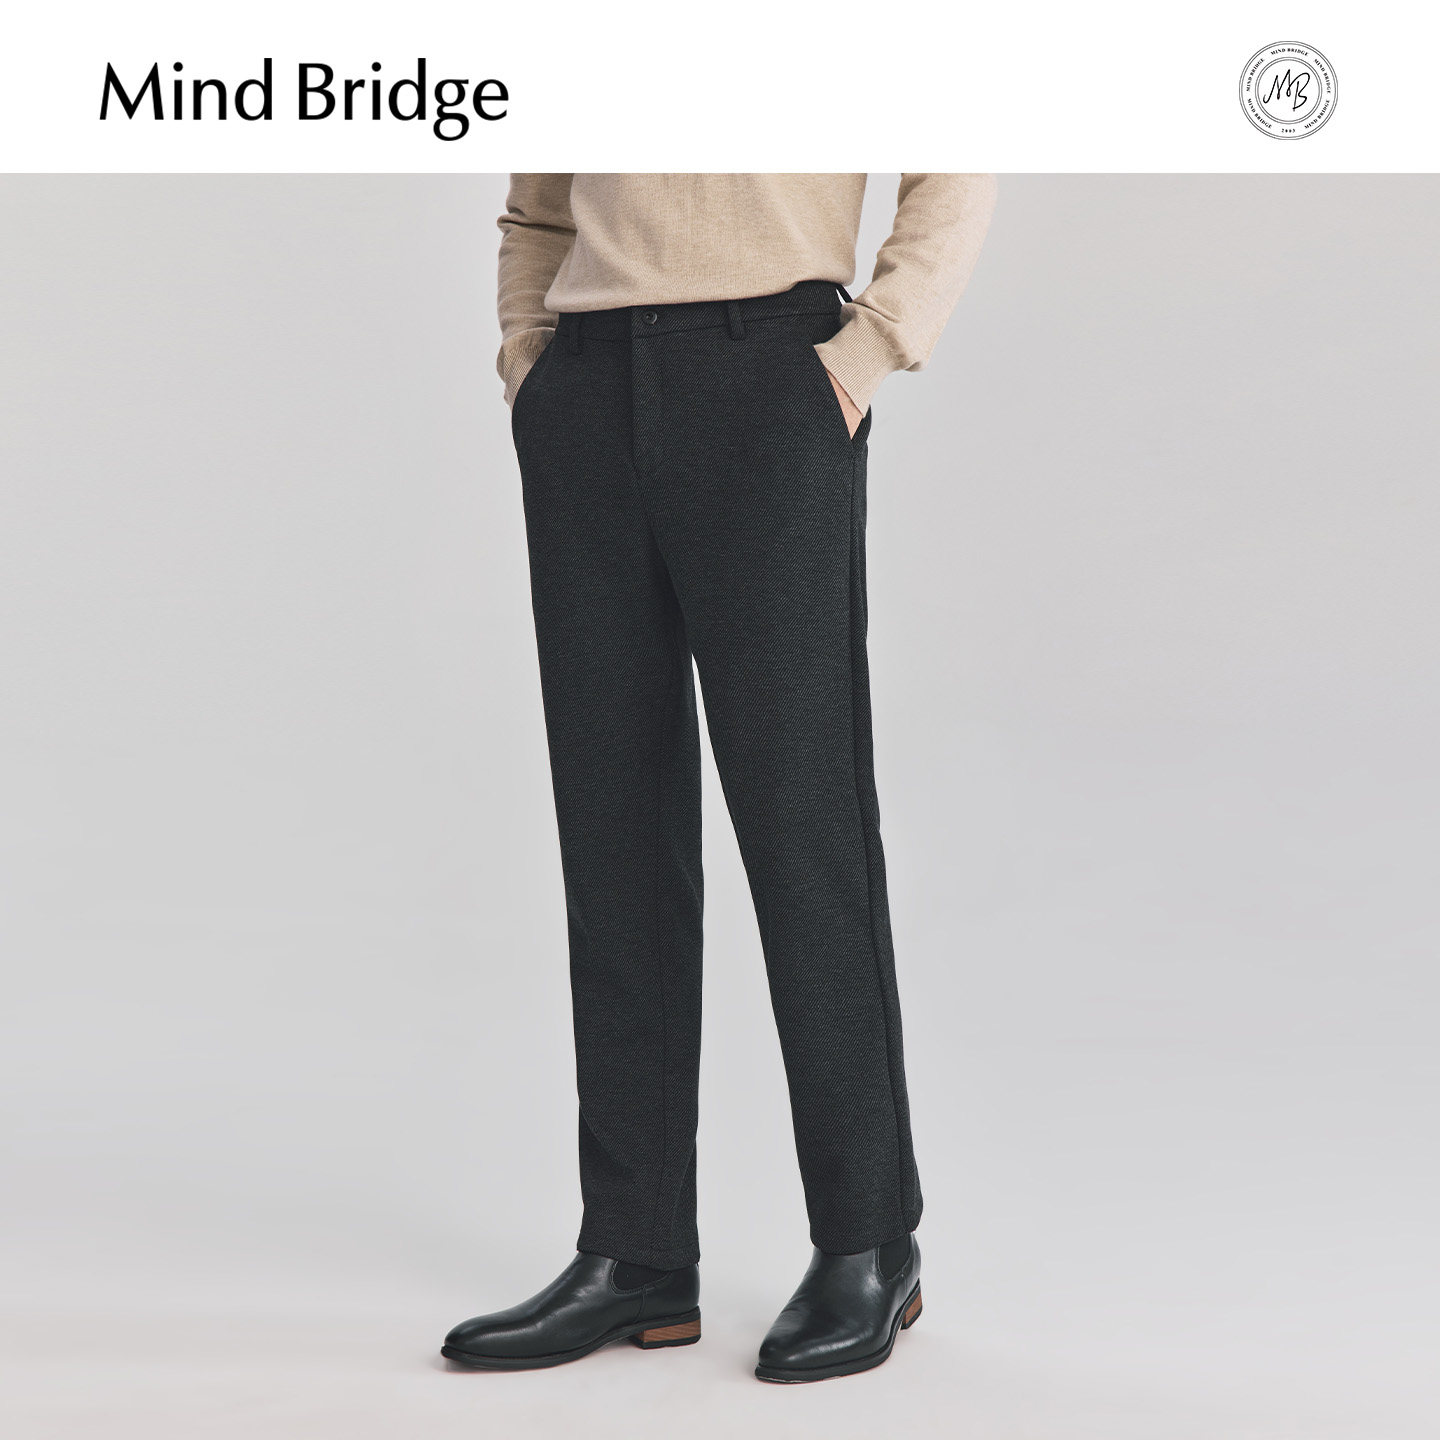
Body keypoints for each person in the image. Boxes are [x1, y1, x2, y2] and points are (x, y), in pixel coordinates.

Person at [442, 173, 997, 1382]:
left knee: (805, 826)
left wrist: (868, 350)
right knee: (614, 831)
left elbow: (956, 161)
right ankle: (634, 1251)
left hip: (773, 377)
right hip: (587, 384)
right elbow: (538, 207)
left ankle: (868, 1239)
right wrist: (530, 363)